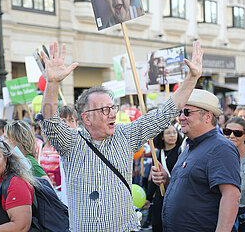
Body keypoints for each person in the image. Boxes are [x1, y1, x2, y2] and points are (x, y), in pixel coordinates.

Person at [38, 41, 203, 231]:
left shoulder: (126, 135)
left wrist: (192, 78)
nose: (112, 114)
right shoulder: (71, 143)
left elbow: (165, 112)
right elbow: (50, 121)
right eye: (105, 109)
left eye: (113, 108)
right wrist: (52, 84)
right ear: (87, 118)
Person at [151, 89, 241, 232]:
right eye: (180, 112)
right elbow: (193, 188)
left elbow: (231, 195)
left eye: (187, 112)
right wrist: (166, 180)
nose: (181, 117)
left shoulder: (220, 147)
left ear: (207, 116)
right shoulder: (189, 147)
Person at [142, 125, 183, 231]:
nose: (172, 135)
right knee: (158, 225)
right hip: (161, 196)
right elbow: (154, 178)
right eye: (168, 133)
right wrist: (148, 198)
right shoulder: (158, 153)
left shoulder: (181, 152)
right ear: (162, 136)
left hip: (176, 196)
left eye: (174, 132)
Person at [4, 120, 52, 184]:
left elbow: (48, 186)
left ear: (17, 140)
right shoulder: (17, 159)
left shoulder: (29, 161)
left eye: (6, 138)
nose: (3, 141)